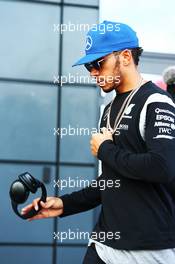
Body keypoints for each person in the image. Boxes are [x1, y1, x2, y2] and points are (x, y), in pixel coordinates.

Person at [21, 21, 175, 263]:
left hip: (148, 250)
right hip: (104, 245)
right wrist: (63, 204)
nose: (92, 72)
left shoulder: (157, 102)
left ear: (125, 56)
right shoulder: (110, 109)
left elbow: (162, 167)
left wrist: (105, 150)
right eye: (88, 66)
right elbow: (110, 183)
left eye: (98, 63)